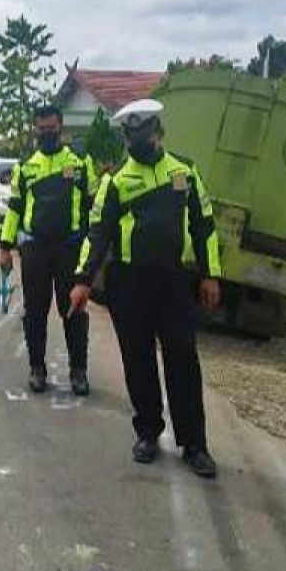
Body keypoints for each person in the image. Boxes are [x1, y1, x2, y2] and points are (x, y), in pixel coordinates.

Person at [69, 99, 222, 479]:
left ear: (159, 134)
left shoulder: (185, 172)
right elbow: (97, 233)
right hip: (130, 281)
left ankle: (194, 443)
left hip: (174, 280)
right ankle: (148, 432)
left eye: (143, 135)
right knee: (138, 359)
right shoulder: (116, 181)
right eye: (131, 138)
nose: (137, 143)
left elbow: (204, 226)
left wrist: (210, 274)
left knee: (183, 358)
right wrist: (82, 280)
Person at [0, 104, 99, 396]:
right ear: (35, 130)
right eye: (41, 129)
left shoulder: (80, 161)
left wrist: (93, 250)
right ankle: (36, 368)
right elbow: (15, 210)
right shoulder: (26, 164)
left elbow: (93, 206)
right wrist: (5, 248)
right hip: (35, 249)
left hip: (71, 247)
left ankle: (79, 371)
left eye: (51, 128)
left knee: (74, 311)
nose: (46, 134)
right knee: (35, 311)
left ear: (61, 126)